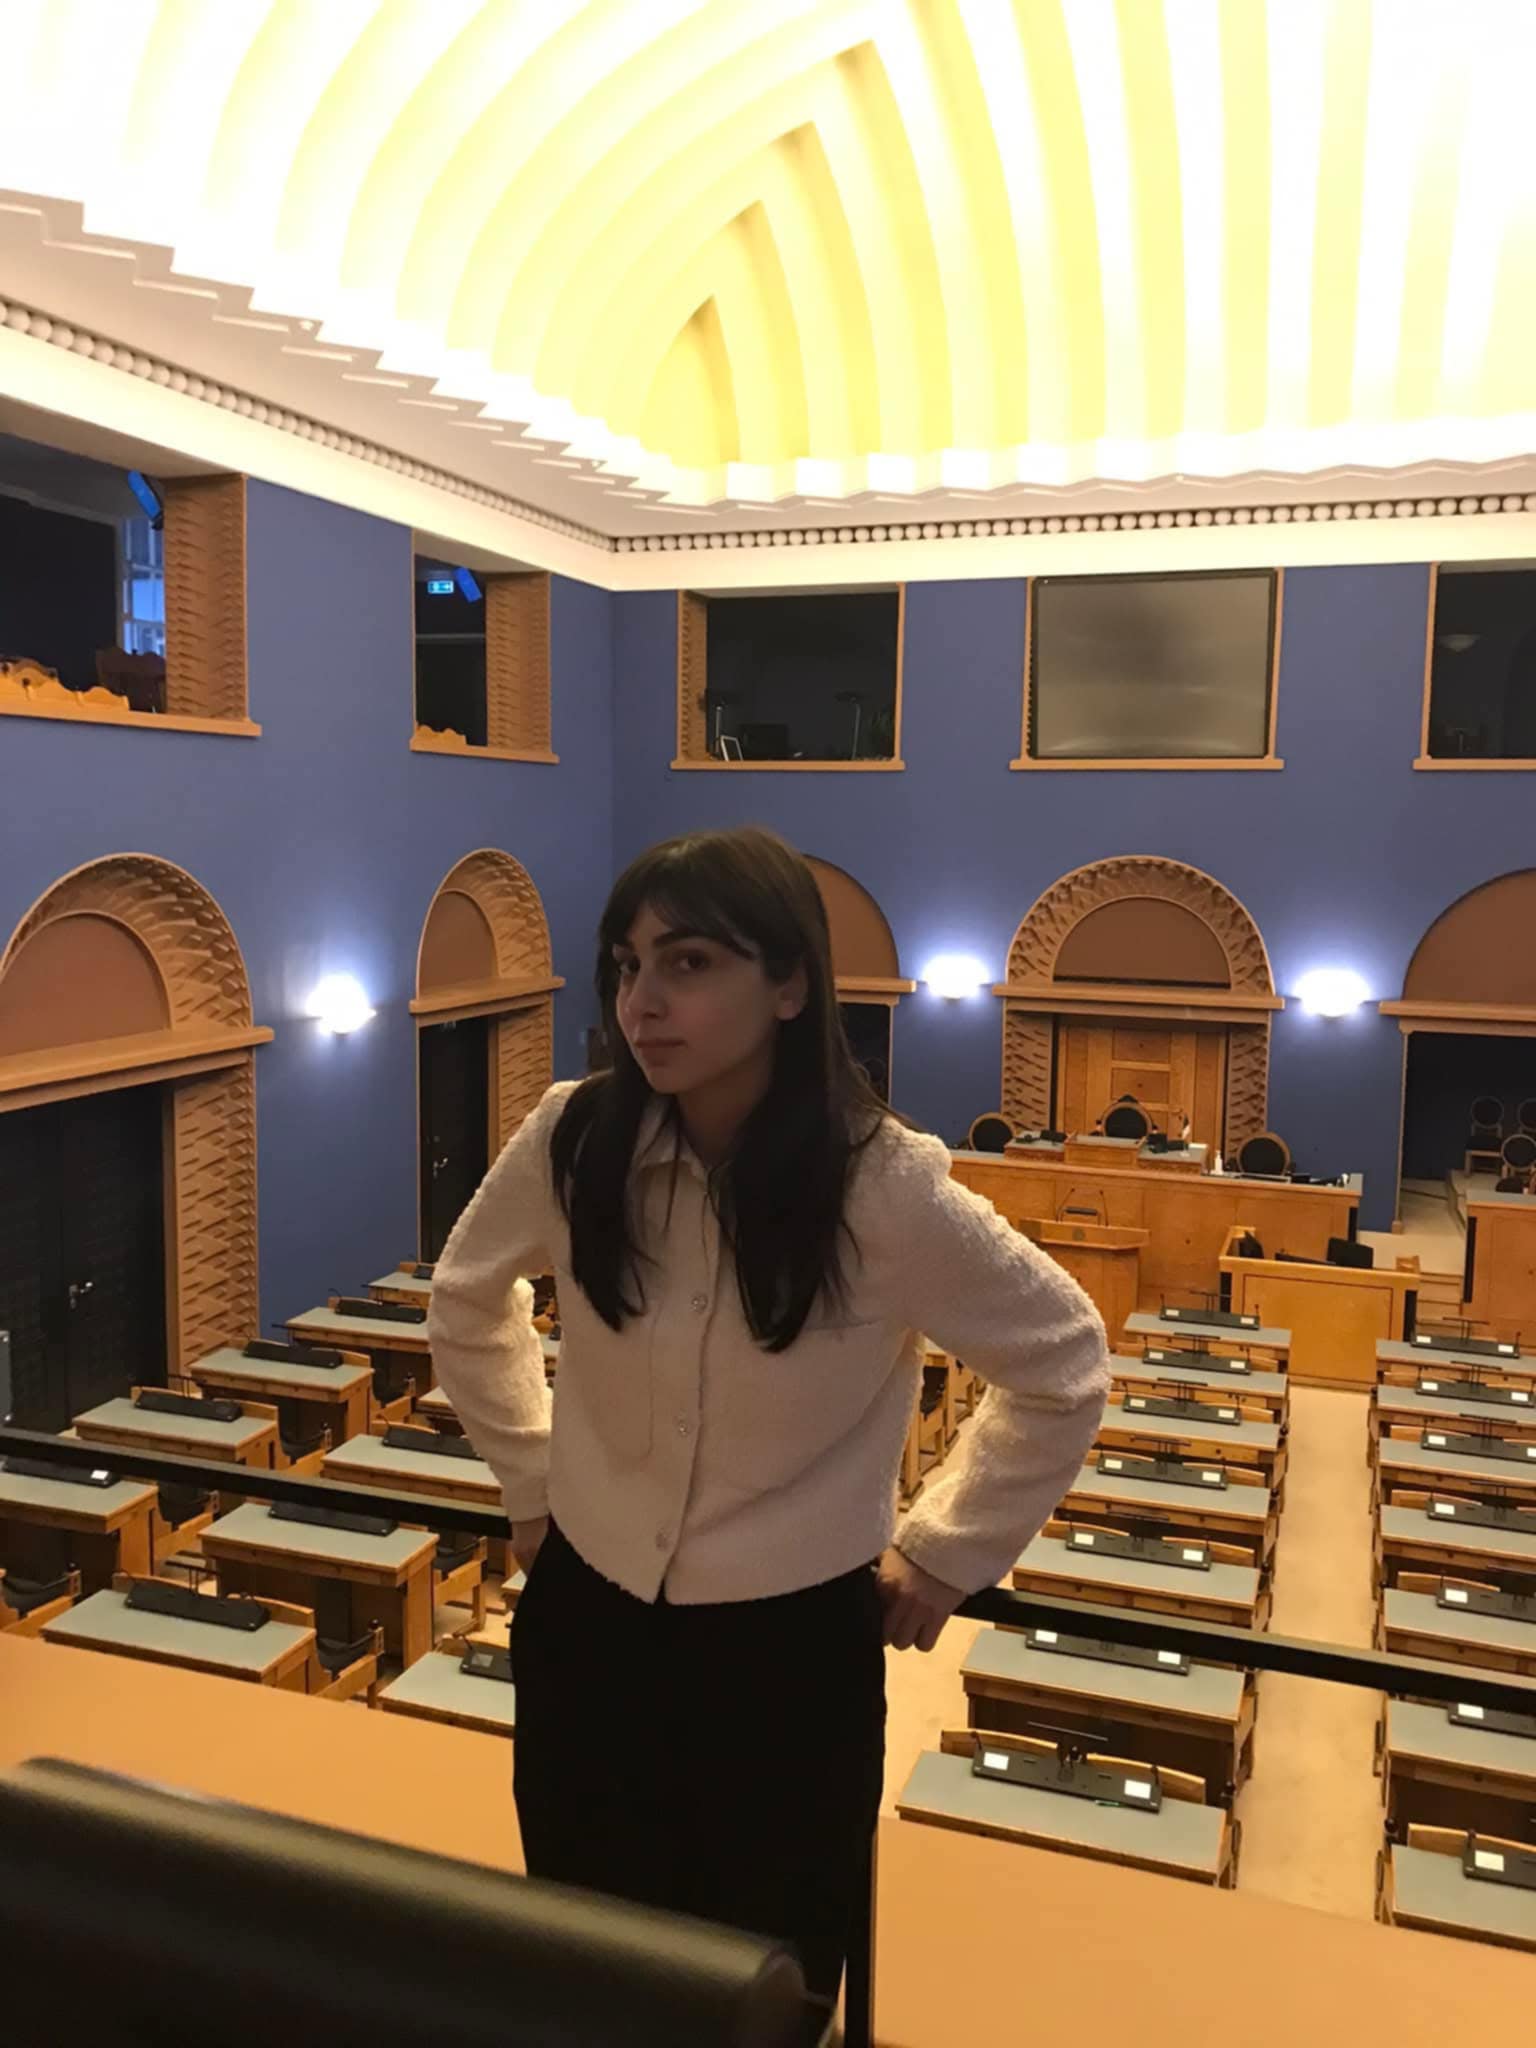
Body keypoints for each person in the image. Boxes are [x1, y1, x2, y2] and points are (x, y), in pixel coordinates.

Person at [428, 826, 1108, 2002]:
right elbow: (464, 1297)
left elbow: (1065, 1359)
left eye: (689, 962)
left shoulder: (884, 1186)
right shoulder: (573, 1134)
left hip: (787, 1659)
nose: (643, 1001)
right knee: (582, 1954)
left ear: (790, 984)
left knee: (765, 1981)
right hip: (588, 1627)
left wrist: (948, 1549)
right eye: (628, 965)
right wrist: (533, 1476)